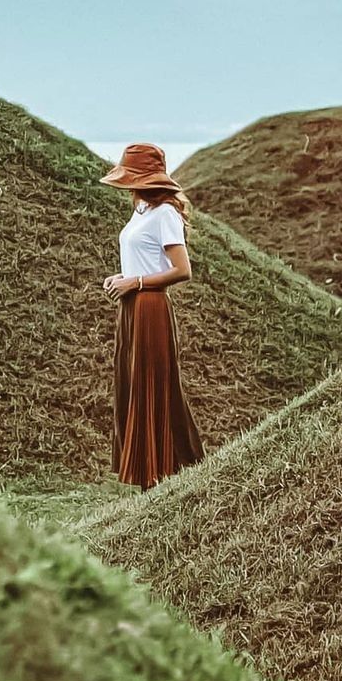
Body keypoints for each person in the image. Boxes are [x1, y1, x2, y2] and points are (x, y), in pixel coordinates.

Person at [100, 143, 205, 492]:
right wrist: (122, 278)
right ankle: (150, 471)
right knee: (134, 384)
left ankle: (166, 469)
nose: (127, 185)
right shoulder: (142, 209)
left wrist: (137, 281)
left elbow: (181, 270)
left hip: (150, 308)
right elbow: (141, 260)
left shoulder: (165, 215)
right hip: (131, 306)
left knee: (153, 386)